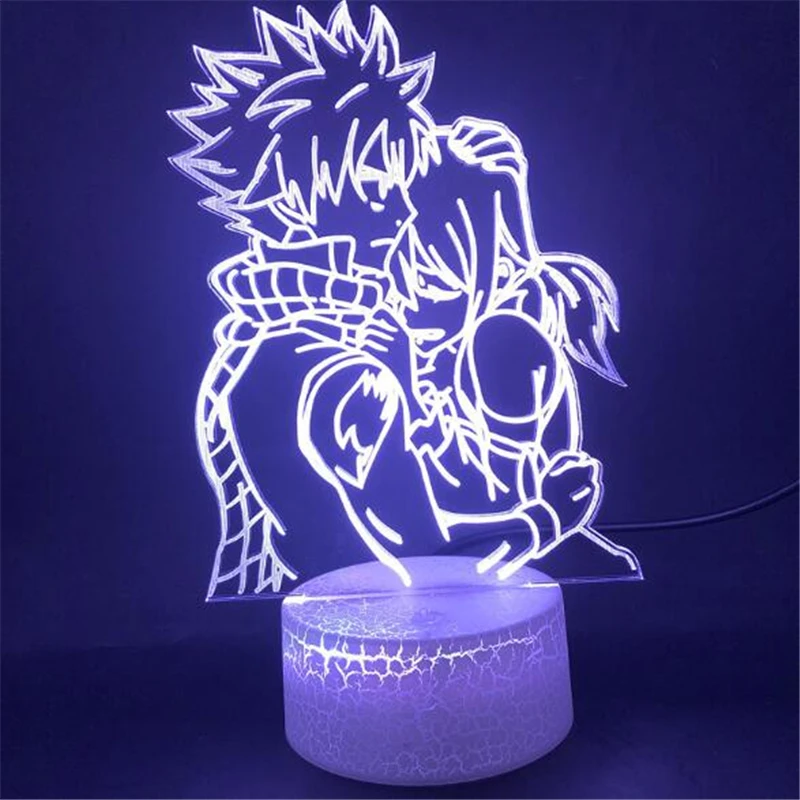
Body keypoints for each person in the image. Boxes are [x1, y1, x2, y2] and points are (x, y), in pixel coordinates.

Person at [169, 2, 641, 596]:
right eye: (375, 184)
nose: (402, 209)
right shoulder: (332, 369)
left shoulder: (335, 333)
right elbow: (429, 568)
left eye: (403, 180)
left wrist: (513, 222)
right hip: (358, 640)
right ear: (290, 201)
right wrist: (548, 519)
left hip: (352, 628)